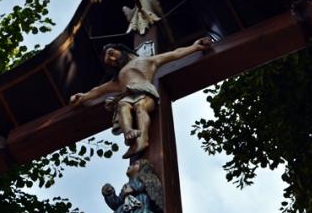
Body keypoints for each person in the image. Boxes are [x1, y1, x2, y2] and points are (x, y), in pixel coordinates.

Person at [70, 38, 212, 157]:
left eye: (112, 54)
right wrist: (82, 97)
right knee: (122, 105)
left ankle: (143, 139)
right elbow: (98, 90)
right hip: (128, 96)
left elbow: (175, 54)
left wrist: (195, 47)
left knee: (140, 107)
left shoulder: (148, 61)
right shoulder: (118, 79)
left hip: (145, 92)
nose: (113, 60)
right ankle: (129, 132)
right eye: (110, 62)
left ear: (120, 49)